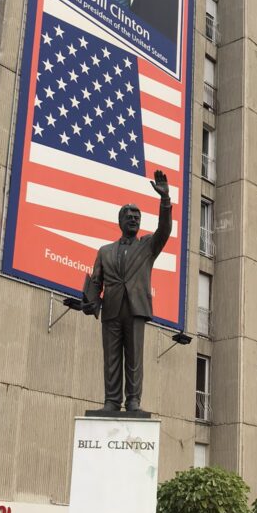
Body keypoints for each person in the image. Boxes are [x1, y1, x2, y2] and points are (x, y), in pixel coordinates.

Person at [83, 169, 172, 413]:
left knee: (134, 358)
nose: (134, 219)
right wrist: (90, 301)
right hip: (111, 310)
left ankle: (133, 401)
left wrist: (165, 200)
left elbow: (164, 230)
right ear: (120, 221)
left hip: (135, 309)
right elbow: (96, 281)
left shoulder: (147, 247)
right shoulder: (105, 251)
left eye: (137, 216)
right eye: (129, 216)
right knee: (111, 358)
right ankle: (112, 401)